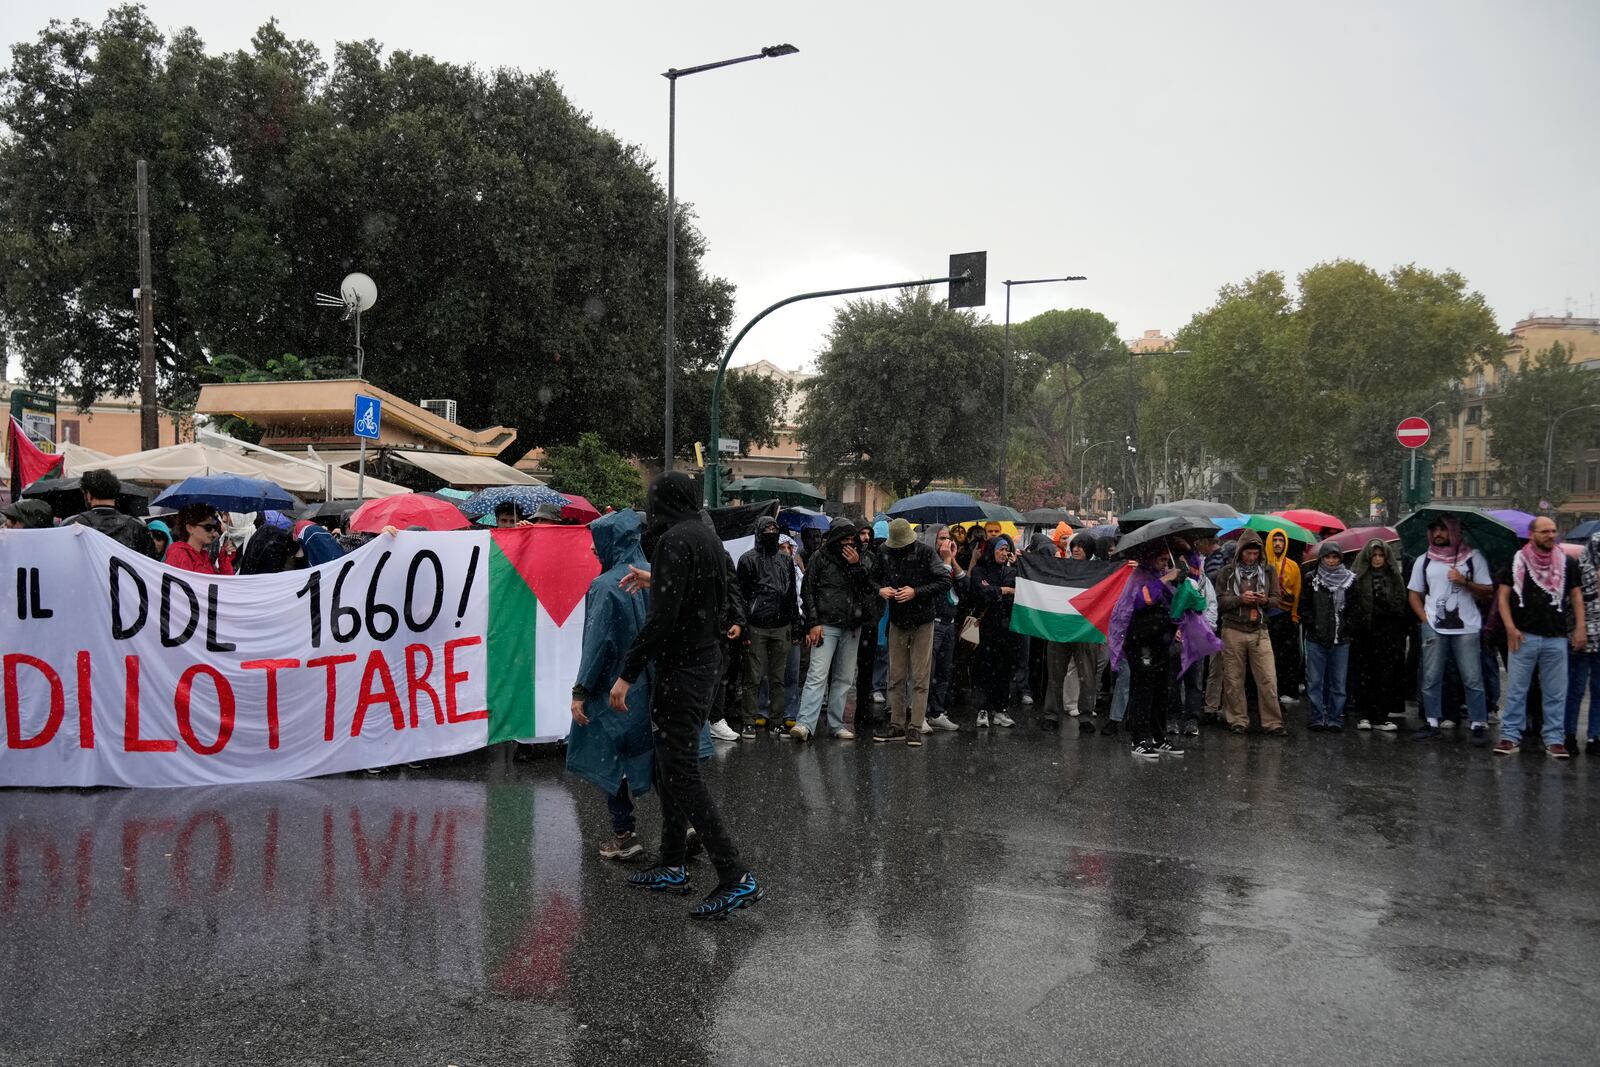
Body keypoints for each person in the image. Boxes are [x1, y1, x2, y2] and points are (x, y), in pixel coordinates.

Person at [610, 471, 761, 919]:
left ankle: (735, 876)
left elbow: (660, 622)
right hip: (705, 660)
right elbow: (698, 591)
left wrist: (627, 675)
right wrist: (655, 577)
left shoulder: (674, 540)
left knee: (680, 772)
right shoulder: (703, 533)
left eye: (652, 499)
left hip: (685, 668)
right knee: (669, 764)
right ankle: (672, 862)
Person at [569, 510, 655, 861]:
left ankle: (624, 832)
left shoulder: (605, 586)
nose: (592, 551)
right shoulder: (656, 577)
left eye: (597, 543)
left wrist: (581, 690)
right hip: (657, 686)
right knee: (660, 756)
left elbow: (597, 642)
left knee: (611, 758)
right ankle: (686, 824)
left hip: (616, 688)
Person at [1494, 516, 1586, 757]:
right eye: (1544, 531)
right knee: (1516, 690)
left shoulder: (1567, 562)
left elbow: (1576, 597)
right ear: (1532, 534)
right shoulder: (1517, 561)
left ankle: (1554, 738)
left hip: (1556, 637)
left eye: (1553, 531)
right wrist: (1510, 627)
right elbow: (1502, 597)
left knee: (1555, 691)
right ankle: (1510, 736)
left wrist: (1580, 627)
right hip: (1523, 636)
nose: (1550, 535)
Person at [1408, 516, 1494, 744]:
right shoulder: (1423, 560)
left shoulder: (1473, 558)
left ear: (1454, 531)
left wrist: (1464, 581)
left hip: (1467, 627)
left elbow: (1487, 591)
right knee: (1431, 676)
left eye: (1443, 529)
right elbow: (1414, 594)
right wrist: (1425, 620)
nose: (1438, 533)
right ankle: (1432, 721)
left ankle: (1478, 723)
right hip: (1434, 626)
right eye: (1434, 529)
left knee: (1472, 677)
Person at [792, 518, 876, 741]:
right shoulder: (820, 558)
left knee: (844, 678)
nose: (848, 544)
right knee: (817, 675)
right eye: (844, 540)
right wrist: (814, 623)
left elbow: (868, 588)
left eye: (852, 539)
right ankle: (805, 723)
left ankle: (836, 724)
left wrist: (856, 565)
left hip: (852, 627)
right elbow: (807, 591)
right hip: (826, 625)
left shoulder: (863, 559)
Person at [872, 518, 952, 745]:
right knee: (895, 676)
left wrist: (916, 592)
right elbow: (872, 577)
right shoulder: (883, 551)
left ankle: (915, 726)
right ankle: (897, 724)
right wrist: (880, 589)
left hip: (923, 620)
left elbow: (945, 580)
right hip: (897, 620)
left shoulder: (926, 552)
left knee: (920, 676)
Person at [1108, 545, 1182, 758]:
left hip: (1161, 642)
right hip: (1140, 642)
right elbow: (1142, 600)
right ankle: (1139, 739)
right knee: (1143, 690)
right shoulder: (1139, 577)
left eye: (1167, 560)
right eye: (1160, 560)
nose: (1165, 564)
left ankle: (1159, 737)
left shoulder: (1161, 575)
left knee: (1161, 690)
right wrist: (1166, 579)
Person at [1215, 531, 1285, 735]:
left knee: (1268, 678)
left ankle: (1273, 723)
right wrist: (1239, 599)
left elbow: (1276, 600)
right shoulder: (1226, 573)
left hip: (1259, 629)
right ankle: (1237, 719)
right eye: (1248, 554)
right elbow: (1219, 602)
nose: (1252, 557)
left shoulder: (1269, 572)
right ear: (1240, 553)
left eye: (1255, 553)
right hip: (1233, 628)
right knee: (1233, 679)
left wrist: (1264, 600)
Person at [737, 514, 798, 734]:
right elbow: (741, 596)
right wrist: (743, 625)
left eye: (775, 529)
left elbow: (791, 594)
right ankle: (749, 720)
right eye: (768, 530)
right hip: (756, 624)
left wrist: (795, 624)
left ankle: (776, 719)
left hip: (781, 624)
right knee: (753, 676)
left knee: (777, 677)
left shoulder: (785, 560)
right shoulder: (747, 560)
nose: (771, 533)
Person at [1052, 531, 1109, 734]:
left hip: (1086, 629)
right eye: (1074, 545)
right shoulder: (1062, 566)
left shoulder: (1098, 570)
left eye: (1081, 546)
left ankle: (1086, 715)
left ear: (1090, 550)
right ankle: (1051, 715)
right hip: (1062, 627)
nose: (1076, 549)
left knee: (1088, 676)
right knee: (1056, 675)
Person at [1350, 540, 1407, 732]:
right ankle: (1364, 715)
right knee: (1365, 674)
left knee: (1385, 675)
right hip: (1365, 631)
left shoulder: (1394, 576)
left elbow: (1400, 602)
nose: (1377, 559)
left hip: (1387, 631)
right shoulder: (1358, 576)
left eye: (1381, 555)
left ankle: (1380, 716)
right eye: (1374, 555)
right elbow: (1353, 602)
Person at [1301, 541, 1356, 731]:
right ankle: (1317, 717)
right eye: (1327, 557)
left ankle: (1335, 718)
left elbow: (1354, 609)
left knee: (1338, 682)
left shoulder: (1350, 580)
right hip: (1316, 638)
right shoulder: (1311, 579)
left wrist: (1346, 629)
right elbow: (1305, 606)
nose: (1331, 561)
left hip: (1341, 640)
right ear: (1321, 559)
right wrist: (1312, 624)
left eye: (1335, 557)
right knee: (1315, 681)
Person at [969, 533, 1019, 728]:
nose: (1004, 553)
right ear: (991, 550)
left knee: (1003, 670)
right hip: (985, 629)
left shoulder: (1010, 572)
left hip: (1005, 630)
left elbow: (1015, 592)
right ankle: (982, 709)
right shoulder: (980, 570)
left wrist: (998, 589)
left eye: (1007, 549)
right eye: (1001, 549)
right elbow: (982, 591)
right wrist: (1003, 591)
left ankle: (1000, 709)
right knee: (983, 669)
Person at [923, 524, 964, 733]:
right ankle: (921, 713)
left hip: (949, 624)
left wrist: (953, 560)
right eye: (941, 539)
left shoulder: (949, 561)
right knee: (927, 672)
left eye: (948, 538)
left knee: (944, 671)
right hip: (934, 622)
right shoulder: (928, 562)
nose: (946, 543)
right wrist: (946, 562)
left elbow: (964, 585)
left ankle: (937, 712)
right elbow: (941, 587)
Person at [61, 469, 156, 556]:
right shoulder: (137, 527)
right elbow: (150, 563)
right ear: (115, 494)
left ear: (89, 495)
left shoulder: (70, 525)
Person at [1567, 530, 1600, 754]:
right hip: (1582, 636)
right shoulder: (1580, 568)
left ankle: (1594, 736)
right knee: (1575, 688)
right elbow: (1572, 602)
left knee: (1599, 689)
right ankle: (1568, 733)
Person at [1263, 528, 1303, 704]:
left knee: (1287, 656)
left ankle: (1287, 690)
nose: (1278, 544)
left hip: (1285, 616)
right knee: (1268, 656)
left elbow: (1297, 591)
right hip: (1267, 616)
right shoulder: (1263, 563)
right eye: (1275, 540)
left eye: (1281, 540)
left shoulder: (1293, 566)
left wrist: (1294, 616)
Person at [164, 505, 235, 575]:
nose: (213, 531)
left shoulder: (204, 556)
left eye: (215, 526)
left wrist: (224, 558)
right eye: (208, 527)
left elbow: (222, 583)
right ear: (190, 528)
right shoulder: (179, 555)